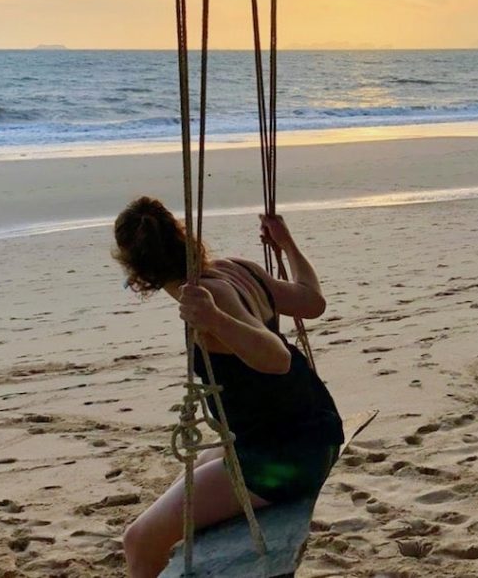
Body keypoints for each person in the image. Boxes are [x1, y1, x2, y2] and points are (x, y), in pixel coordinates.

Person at [112, 197, 344, 577]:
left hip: (288, 461)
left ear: (138, 277)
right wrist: (287, 244)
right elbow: (312, 301)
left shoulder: (209, 301)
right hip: (321, 433)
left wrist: (217, 320)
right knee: (206, 462)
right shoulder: (237, 269)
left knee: (138, 540)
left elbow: (277, 359)